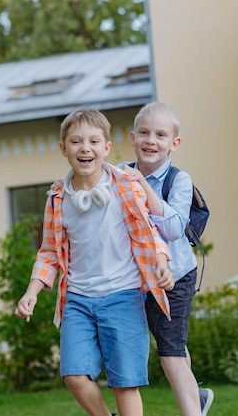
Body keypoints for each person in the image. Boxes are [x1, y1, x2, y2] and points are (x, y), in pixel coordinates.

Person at [15, 107, 175, 416]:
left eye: (93, 141)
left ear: (106, 147)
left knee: (124, 383)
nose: (85, 148)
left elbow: (148, 232)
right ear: (64, 148)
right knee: (74, 374)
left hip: (124, 295)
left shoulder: (125, 186)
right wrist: (31, 292)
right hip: (78, 299)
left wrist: (161, 263)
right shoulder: (58, 199)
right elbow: (49, 252)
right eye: (75, 142)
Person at [119, 102, 214, 416]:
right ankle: (196, 398)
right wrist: (65, 187)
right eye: (144, 133)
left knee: (170, 353)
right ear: (133, 137)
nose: (151, 140)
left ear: (174, 144)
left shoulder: (179, 180)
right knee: (171, 341)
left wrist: (143, 185)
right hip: (138, 278)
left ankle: (192, 411)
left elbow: (174, 229)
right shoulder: (120, 173)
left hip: (175, 275)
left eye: (160, 135)